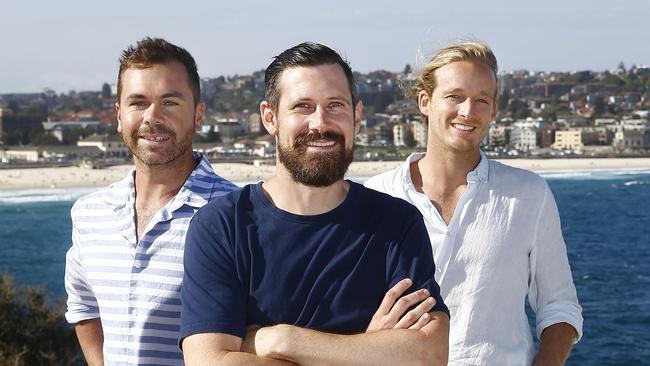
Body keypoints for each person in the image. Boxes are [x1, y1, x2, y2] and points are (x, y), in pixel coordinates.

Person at [180, 42, 450, 366]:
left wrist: (279, 339)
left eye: (335, 105)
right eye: (303, 106)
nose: (320, 123)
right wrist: (369, 350)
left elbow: (428, 354)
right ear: (270, 118)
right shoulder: (222, 227)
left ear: (357, 115)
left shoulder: (396, 224)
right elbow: (209, 362)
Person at [365, 41, 583, 365]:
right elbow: (350, 309)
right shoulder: (376, 196)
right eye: (454, 96)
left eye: (481, 100)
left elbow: (560, 307)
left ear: (493, 111)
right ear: (425, 101)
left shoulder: (528, 195)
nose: (468, 111)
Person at [64, 37, 237, 365]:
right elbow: (83, 307)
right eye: (138, 102)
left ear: (198, 115)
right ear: (118, 114)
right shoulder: (89, 214)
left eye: (170, 102)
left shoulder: (239, 213)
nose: (152, 117)